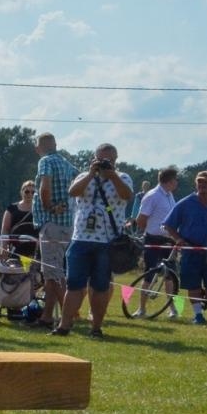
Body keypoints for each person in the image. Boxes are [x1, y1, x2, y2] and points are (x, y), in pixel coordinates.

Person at [50, 143, 132, 338]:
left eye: (109, 160)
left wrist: (111, 175)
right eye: (101, 159)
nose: (104, 163)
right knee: (74, 284)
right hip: (81, 239)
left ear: (115, 160)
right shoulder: (83, 177)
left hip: (108, 242)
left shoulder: (123, 178)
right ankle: (64, 326)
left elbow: (126, 195)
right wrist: (90, 174)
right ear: (93, 159)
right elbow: (73, 192)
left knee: (101, 286)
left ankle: (96, 327)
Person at [162, 171, 207, 324]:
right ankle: (198, 316)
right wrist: (178, 239)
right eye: (199, 182)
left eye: (206, 182)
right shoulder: (185, 203)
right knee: (193, 285)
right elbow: (168, 225)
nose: (202, 185)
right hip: (191, 252)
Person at [33, 132, 77, 329]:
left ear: (38, 148)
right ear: (56, 144)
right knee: (51, 274)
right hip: (67, 224)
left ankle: (69, 317)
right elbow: (79, 186)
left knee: (54, 273)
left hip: (51, 223)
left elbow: (45, 186)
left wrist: (49, 206)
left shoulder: (45, 161)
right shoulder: (68, 164)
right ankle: (46, 316)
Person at [134, 167, 180, 309]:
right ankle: (141, 308)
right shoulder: (152, 195)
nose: (177, 182)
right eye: (176, 180)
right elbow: (140, 220)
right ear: (171, 181)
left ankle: (172, 309)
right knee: (149, 274)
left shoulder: (169, 195)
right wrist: (152, 230)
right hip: (154, 240)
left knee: (170, 275)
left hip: (169, 240)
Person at [0, 180, 37, 261]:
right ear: (21, 192)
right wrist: (4, 248)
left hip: (35, 250)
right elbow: (5, 229)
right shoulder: (11, 209)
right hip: (15, 249)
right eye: (27, 192)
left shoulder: (39, 210)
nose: (30, 194)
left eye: (33, 192)